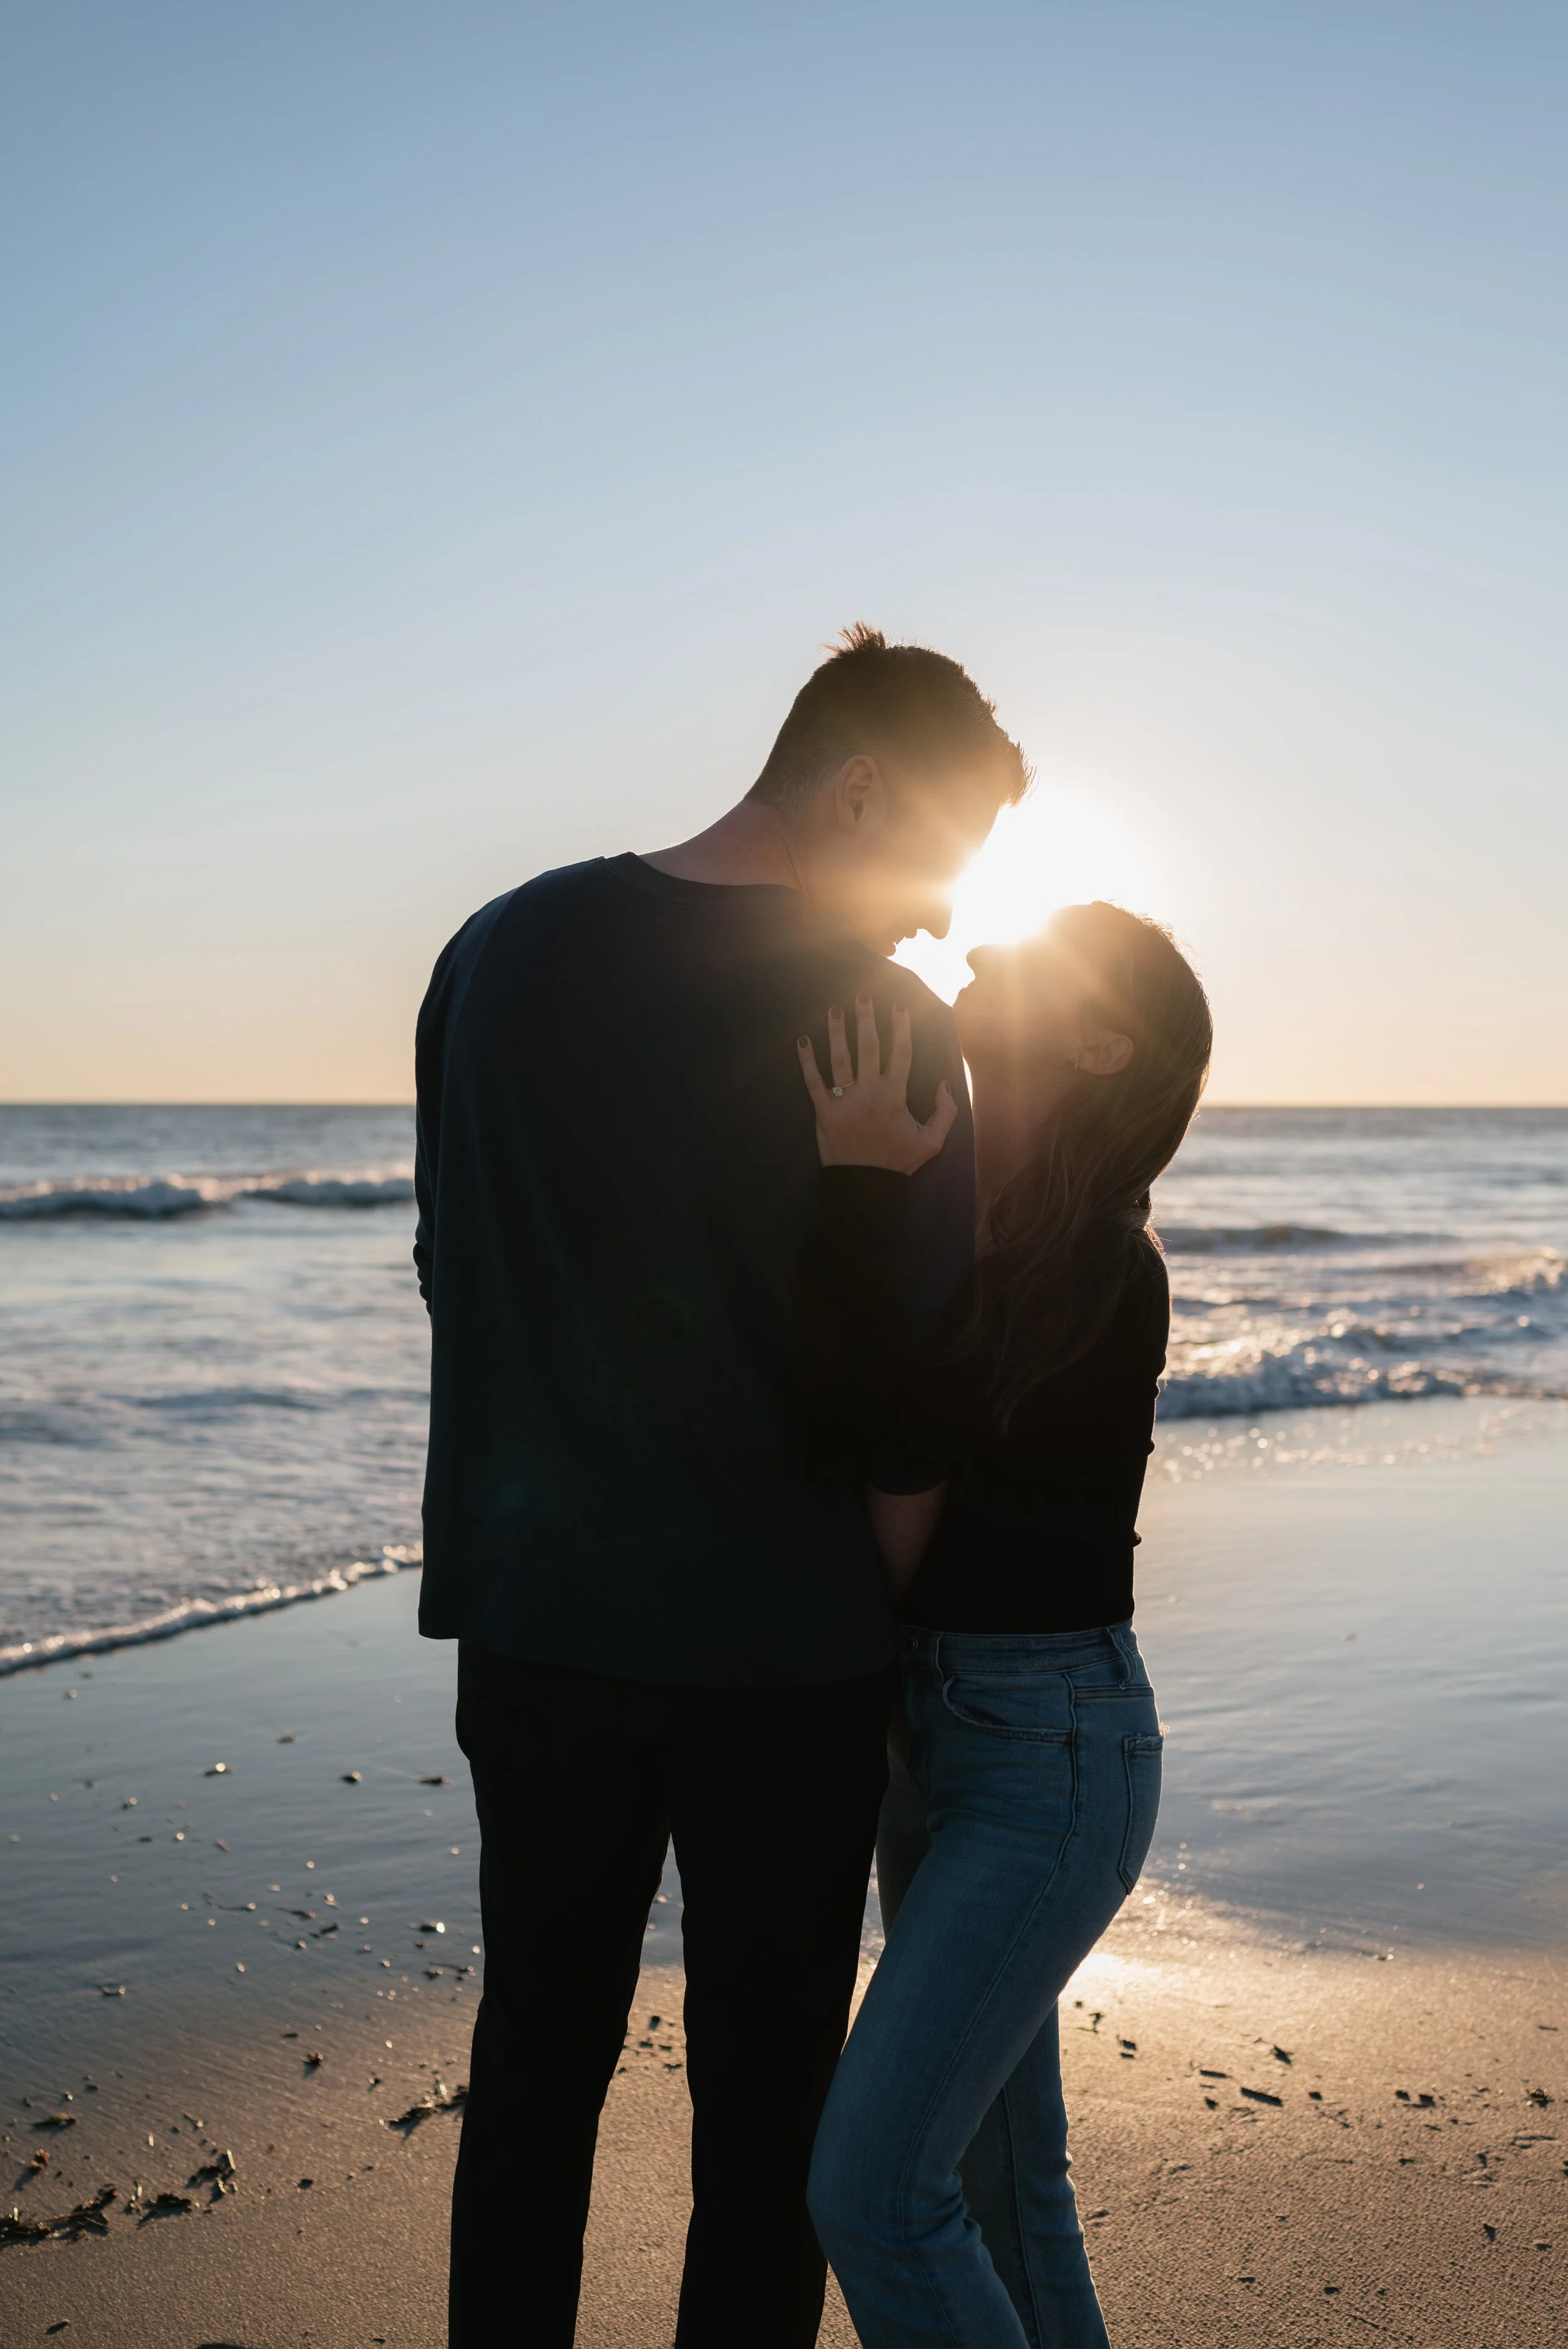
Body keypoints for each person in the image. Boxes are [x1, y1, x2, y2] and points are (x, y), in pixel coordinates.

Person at [411, 625, 1029, 2348]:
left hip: (534, 1631)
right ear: (857, 790)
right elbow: (915, 1411)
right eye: (934, 860)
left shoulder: (493, 949)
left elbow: (453, 1273)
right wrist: (874, 1595)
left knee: (534, 2066)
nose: (936, 915)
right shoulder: (884, 1024)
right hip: (781, 1653)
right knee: (763, 2120)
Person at [796, 903, 1213, 2348]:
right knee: (999, 2186)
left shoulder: (1103, 1269)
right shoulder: (974, 1205)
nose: (981, 953)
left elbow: (900, 1437)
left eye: (1037, 952)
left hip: (1051, 1752)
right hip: (944, 1745)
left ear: (1101, 1040)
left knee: (871, 2193)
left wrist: (863, 1195)